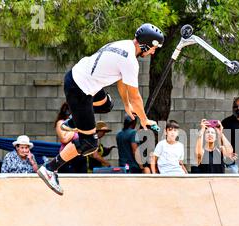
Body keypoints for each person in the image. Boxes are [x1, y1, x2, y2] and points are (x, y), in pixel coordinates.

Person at [37, 23, 164, 195]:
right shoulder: (131, 61)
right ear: (146, 45)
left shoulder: (123, 45)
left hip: (81, 80)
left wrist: (126, 104)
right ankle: (50, 168)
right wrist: (144, 119)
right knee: (89, 144)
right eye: (154, 48)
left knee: (106, 104)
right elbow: (137, 97)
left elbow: (121, 80)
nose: (153, 52)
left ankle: (73, 121)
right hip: (80, 91)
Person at [54, 102, 87, 173]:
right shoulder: (61, 122)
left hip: (80, 156)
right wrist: (74, 128)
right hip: (67, 157)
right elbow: (64, 139)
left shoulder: (79, 123)